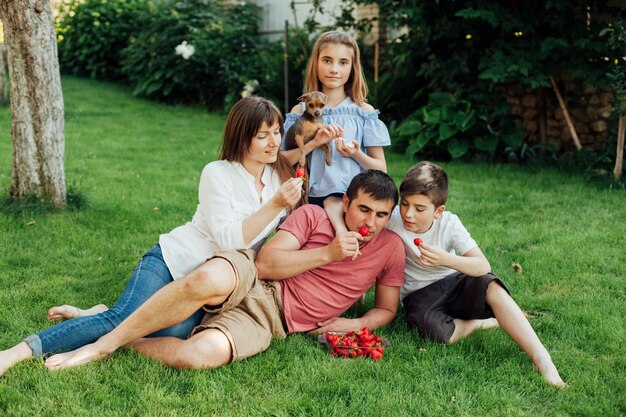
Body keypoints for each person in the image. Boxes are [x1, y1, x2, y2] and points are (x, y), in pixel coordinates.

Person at [0, 96, 306, 377]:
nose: (273, 142)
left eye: (277, 132)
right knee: (120, 322)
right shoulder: (218, 173)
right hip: (174, 261)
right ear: (241, 137)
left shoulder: (277, 174)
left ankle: (96, 313)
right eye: (262, 135)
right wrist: (276, 205)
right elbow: (229, 240)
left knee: (169, 333)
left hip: (207, 284)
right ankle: (16, 353)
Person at [38, 170, 405, 370]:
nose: (370, 223)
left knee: (196, 355)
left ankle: (120, 335)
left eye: (380, 215)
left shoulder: (390, 249)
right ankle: (100, 346)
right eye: (363, 210)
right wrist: (328, 253)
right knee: (206, 279)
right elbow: (265, 264)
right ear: (346, 202)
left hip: (271, 319)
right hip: (254, 280)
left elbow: (386, 309)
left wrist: (355, 324)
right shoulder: (312, 216)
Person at [385, 161, 567, 388]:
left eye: (420, 209)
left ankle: (542, 359)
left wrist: (446, 259)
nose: (408, 214)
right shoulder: (391, 220)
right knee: (437, 334)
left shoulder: (449, 223)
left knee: (491, 285)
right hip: (418, 296)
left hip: (453, 283)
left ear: (438, 211)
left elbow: (483, 265)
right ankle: (484, 323)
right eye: (405, 204)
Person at [281, 30, 390, 233]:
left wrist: (356, 153)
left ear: (352, 67)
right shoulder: (300, 112)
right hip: (308, 199)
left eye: (343, 62)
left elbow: (381, 169)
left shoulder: (363, 113)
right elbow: (282, 161)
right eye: (327, 60)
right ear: (316, 62)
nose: (334, 69)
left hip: (353, 201)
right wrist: (312, 145)